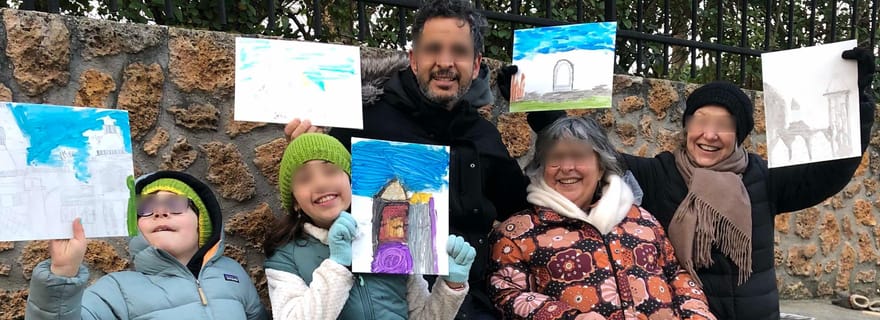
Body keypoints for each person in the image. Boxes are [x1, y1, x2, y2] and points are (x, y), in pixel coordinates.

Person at [283, 1, 560, 318]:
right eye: (433, 49)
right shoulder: (366, 121)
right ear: (414, 60)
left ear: (476, 62)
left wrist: (547, 119)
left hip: (478, 303)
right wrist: (306, 149)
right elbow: (322, 192)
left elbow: (525, 208)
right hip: (401, 304)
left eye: (459, 51)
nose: (446, 62)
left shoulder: (484, 135)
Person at [621, 47, 876, 320]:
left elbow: (829, 172)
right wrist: (566, 112)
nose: (710, 134)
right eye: (700, 121)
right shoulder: (658, 174)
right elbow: (591, 161)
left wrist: (853, 103)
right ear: (687, 126)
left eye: (724, 125)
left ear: (739, 133)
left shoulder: (763, 177)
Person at [487, 116, 716, 319]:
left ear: (601, 167)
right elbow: (505, 293)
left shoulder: (641, 219)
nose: (567, 167)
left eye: (579, 156)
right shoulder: (517, 233)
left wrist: (697, 314)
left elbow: (675, 273)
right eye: (555, 158)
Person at [263, 133, 476, 319]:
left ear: (350, 180)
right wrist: (337, 265)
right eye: (305, 178)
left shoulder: (395, 233)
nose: (320, 183)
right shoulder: (285, 258)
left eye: (330, 171)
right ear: (295, 202)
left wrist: (450, 286)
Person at [25, 170, 268, 319]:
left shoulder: (233, 273)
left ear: (201, 223)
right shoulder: (115, 290)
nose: (160, 212)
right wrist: (62, 273)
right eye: (145, 207)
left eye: (175, 204)